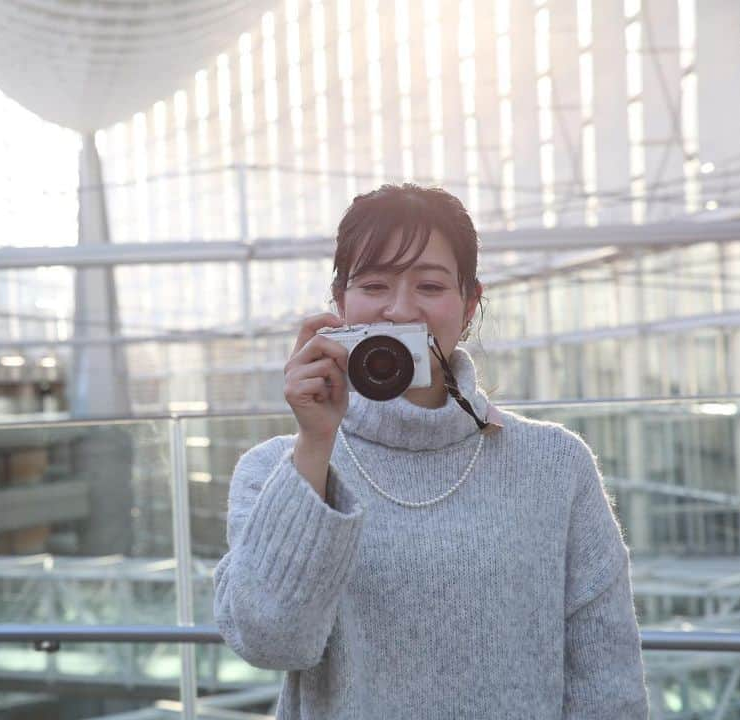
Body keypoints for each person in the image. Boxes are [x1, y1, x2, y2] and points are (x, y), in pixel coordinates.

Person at [213, 183, 649, 719]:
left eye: (429, 285)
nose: (400, 309)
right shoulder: (279, 468)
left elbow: (607, 679)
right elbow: (270, 641)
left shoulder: (556, 465)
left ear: (469, 305)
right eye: (374, 284)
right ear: (339, 304)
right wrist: (316, 440)